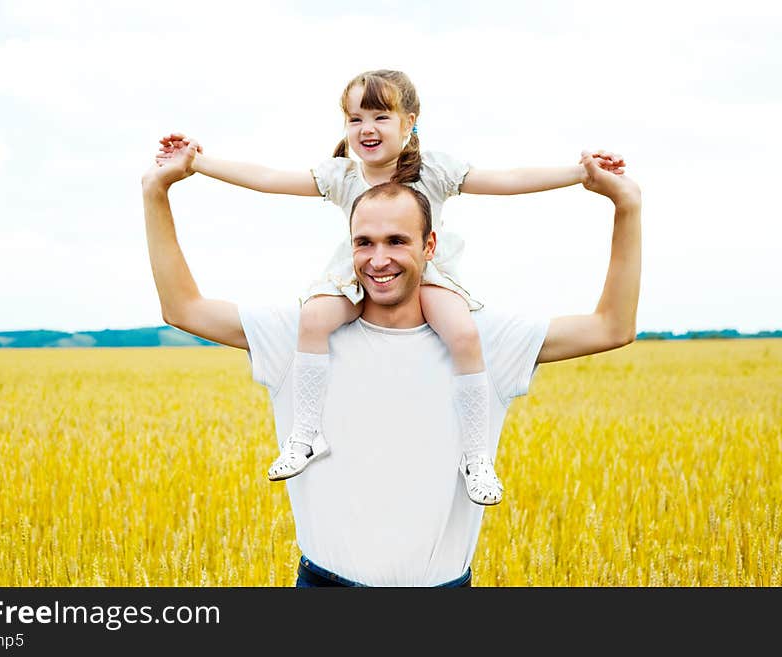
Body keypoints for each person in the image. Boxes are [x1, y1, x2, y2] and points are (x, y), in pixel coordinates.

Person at [141, 141, 642, 587]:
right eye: (364, 242)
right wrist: (155, 191)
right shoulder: (303, 334)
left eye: (397, 241)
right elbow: (183, 309)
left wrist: (626, 206)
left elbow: (611, 327)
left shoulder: (483, 337)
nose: (378, 258)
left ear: (430, 246)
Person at [155, 69, 625, 507]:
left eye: (380, 115)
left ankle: (476, 457)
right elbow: (269, 179)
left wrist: (579, 173)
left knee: (463, 334)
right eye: (355, 118)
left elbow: (507, 181)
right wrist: (199, 162)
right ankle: (305, 435)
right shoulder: (342, 176)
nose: (366, 127)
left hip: (428, 274)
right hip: (357, 276)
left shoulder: (435, 171)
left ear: (410, 122)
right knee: (314, 320)